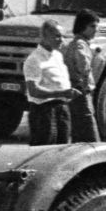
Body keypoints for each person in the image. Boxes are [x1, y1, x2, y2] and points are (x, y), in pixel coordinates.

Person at [22, 18, 83, 146]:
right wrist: (62, 93)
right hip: (44, 111)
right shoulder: (34, 59)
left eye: (62, 36)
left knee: (62, 150)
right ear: (44, 37)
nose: (61, 40)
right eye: (57, 36)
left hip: (62, 108)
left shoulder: (58, 55)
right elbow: (33, 91)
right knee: (44, 150)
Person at [64, 9, 100, 142]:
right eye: (92, 26)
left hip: (74, 90)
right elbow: (83, 67)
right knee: (90, 132)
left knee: (77, 132)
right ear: (82, 26)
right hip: (81, 90)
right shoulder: (80, 45)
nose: (95, 30)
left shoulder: (74, 43)